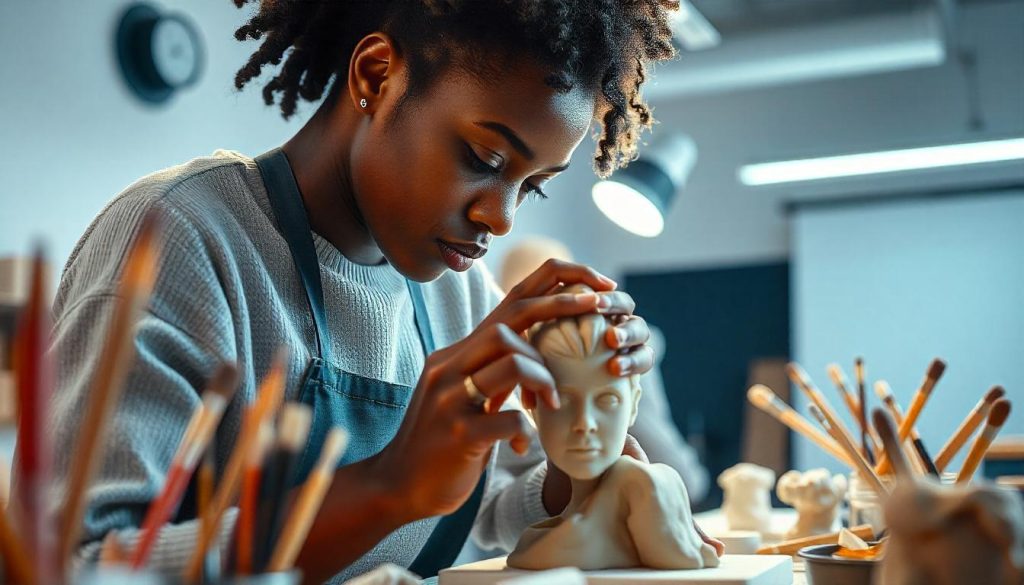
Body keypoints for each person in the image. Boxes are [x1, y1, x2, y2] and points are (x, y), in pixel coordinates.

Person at [12, 1, 719, 583]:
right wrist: (385, 486)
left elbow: (489, 513)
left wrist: (577, 453)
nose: (500, 219)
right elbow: (64, 566)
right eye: (483, 158)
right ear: (377, 75)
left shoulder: (457, 295)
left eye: (530, 186)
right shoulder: (178, 241)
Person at [507, 285, 720, 570]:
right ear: (531, 404)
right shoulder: (541, 540)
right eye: (563, 399)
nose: (584, 423)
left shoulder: (646, 486)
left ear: (634, 405)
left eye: (607, 400)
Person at [498, 236, 710, 503]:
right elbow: (492, 510)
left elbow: (681, 475)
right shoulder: (501, 372)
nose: (585, 423)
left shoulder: (616, 357)